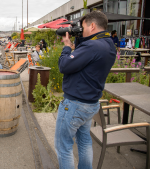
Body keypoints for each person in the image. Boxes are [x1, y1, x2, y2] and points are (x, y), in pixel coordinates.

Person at [55, 11, 116, 169]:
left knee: (64, 147)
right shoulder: (108, 44)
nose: (81, 31)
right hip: (90, 104)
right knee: (84, 142)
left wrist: (67, 47)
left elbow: (64, 66)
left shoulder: (92, 46)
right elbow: (85, 59)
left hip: (75, 104)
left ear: (93, 25)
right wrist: (80, 39)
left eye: (83, 27)